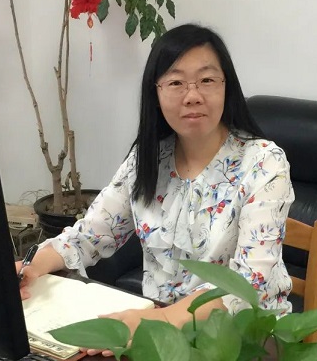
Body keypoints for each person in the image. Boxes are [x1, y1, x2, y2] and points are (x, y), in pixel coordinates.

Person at [17, 23, 294, 356]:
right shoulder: (148, 158)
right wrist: (34, 266)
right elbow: (91, 234)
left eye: (207, 80)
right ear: (156, 93)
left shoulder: (264, 163)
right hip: (156, 331)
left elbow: (249, 284)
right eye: (176, 82)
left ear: (227, 87)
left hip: (245, 339)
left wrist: (159, 320)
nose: (193, 95)